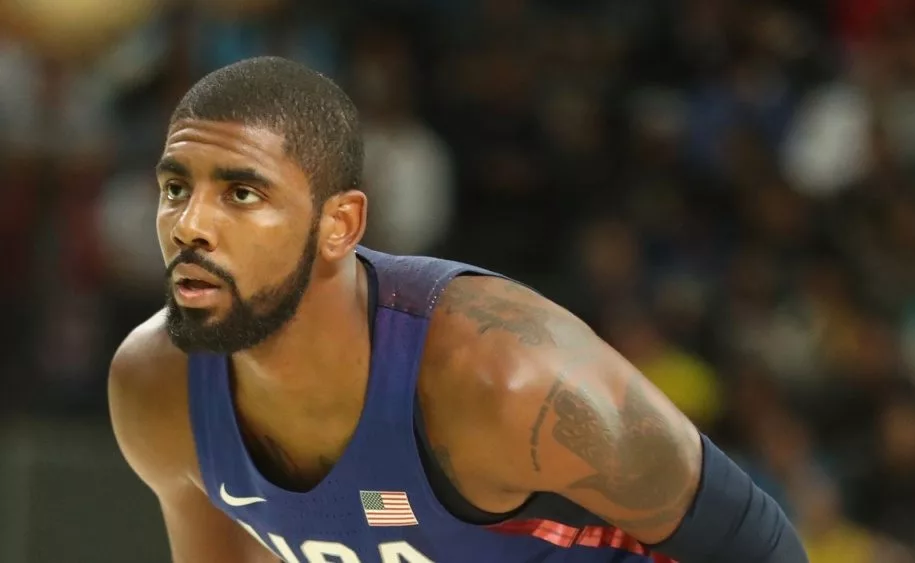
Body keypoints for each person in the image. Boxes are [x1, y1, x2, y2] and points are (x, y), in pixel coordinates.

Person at [107, 56, 807, 563]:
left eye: (241, 194)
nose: (188, 223)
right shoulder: (155, 390)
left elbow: (763, 548)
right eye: (174, 188)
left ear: (340, 225)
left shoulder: (507, 375)